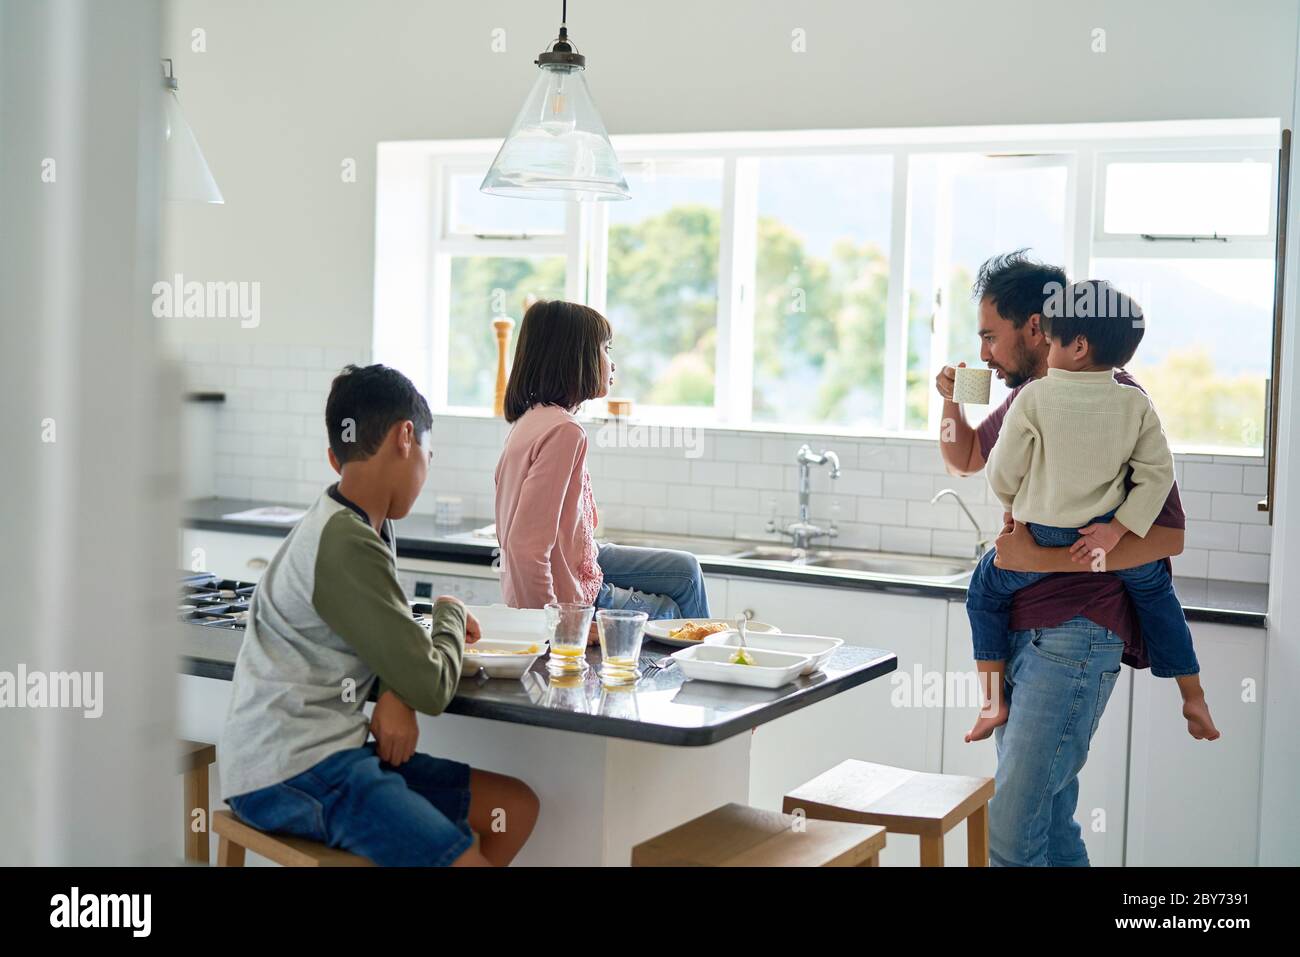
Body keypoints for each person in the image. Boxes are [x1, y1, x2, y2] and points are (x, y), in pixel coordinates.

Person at [220, 364, 539, 866]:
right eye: (430, 456)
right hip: (291, 769)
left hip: (329, 755)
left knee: (513, 807)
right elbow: (431, 684)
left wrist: (395, 688)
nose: (426, 472)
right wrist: (451, 613)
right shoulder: (345, 541)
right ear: (405, 437)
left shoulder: (362, 522)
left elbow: (390, 641)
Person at [933, 250, 1193, 866]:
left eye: (991, 338)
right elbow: (965, 458)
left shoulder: (1114, 401)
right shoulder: (1039, 397)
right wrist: (948, 400)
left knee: (1010, 826)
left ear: (1037, 330)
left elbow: (1167, 537)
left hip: (1074, 632)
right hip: (1030, 632)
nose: (987, 354)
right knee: (1049, 821)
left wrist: (1042, 561)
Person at [962, 279, 1217, 743]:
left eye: (1054, 340)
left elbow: (1000, 471)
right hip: (1114, 547)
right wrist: (1116, 530)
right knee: (1160, 599)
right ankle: (1192, 694)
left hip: (1042, 537)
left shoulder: (1034, 398)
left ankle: (991, 701)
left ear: (1077, 345)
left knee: (983, 592)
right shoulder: (1134, 403)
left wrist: (1012, 511)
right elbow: (1157, 476)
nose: (1047, 348)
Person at [495, 299, 710, 623]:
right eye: (606, 349)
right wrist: (559, 627)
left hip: (573, 562)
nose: (612, 364)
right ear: (574, 358)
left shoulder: (531, 420)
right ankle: (700, 667)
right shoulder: (564, 432)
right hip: (569, 600)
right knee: (671, 613)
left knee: (686, 570)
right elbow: (525, 549)